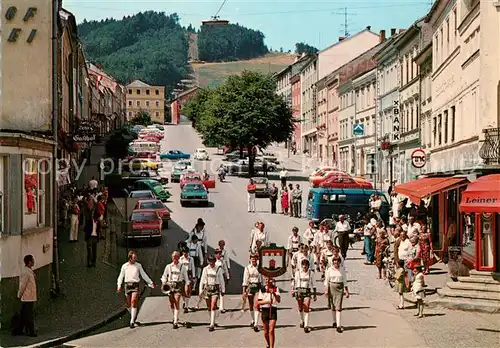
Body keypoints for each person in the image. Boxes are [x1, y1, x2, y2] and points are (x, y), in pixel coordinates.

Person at [117, 251, 155, 328]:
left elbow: (143, 274)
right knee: (128, 304)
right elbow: (121, 276)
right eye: (134, 258)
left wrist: (150, 282)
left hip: (135, 286)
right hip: (127, 285)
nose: (135, 259)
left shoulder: (138, 265)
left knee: (133, 301)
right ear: (130, 258)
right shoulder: (125, 266)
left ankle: (132, 321)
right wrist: (119, 285)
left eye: (135, 257)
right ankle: (133, 315)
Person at [161, 251, 190, 329]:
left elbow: (186, 278)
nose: (175, 259)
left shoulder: (182, 267)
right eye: (173, 257)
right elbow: (164, 276)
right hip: (170, 285)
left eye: (176, 257)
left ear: (178, 258)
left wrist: (187, 285)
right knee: (171, 303)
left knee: (177, 301)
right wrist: (164, 282)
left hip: (178, 285)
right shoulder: (168, 266)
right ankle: (175, 316)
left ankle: (175, 322)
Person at [199, 255, 226, 332]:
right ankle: (212, 320)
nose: (211, 263)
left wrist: (223, 290)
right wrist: (200, 290)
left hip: (215, 289)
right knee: (208, 306)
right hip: (207, 289)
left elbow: (221, 280)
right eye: (210, 261)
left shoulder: (218, 269)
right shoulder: (205, 269)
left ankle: (211, 325)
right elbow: (202, 280)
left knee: (213, 305)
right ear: (208, 262)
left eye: (213, 262)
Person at [13, 254, 37, 337]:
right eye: (32, 260)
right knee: (28, 315)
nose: (34, 261)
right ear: (29, 262)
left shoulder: (28, 271)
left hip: (29, 296)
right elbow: (22, 285)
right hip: (27, 297)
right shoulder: (26, 272)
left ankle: (18, 330)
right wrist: (19, 295)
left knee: (24, 315)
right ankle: (31, 332)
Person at [324, 257, 349, 333]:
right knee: (333, 306)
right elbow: (327, 280)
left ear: (339, 262)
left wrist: (347, 291)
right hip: (331, 287)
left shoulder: (342, 270)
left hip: (340, 288)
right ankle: (334, 321)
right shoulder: (329, 270)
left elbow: (345, 280)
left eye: (337, 261)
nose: (336, 263)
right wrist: (326, 290)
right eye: (334, 261)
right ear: (333, 262)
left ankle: (338, 325)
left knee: (338, 307)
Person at [292, 259, 316, 333]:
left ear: (308, 266)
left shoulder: (311, 273)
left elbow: (314, 284)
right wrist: (293, 290)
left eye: (306, 265)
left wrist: (314, 294)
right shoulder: (297, 273)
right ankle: (302, 320)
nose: (304, 266)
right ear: (301, 265)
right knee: (300, 308)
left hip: (307, 291)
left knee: (306, 307)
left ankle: (306, 325)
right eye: (303, 265)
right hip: (299, 291)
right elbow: (294, 282)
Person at [242, 253, 264, 331]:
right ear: (250, 259)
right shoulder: (247, 268)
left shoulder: (260, 268)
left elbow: (262, 279)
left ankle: (256, 324)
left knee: (256, 305)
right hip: (250, 287)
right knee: (251, 305)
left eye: (255, 258)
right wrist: (244, 292)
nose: (254, 259)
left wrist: (263, 288)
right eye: (252, 258)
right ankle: (253, 319)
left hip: (258, 287)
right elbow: (245, 280)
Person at [258, 278, 281, 348]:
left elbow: (279, 300)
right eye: (266, 279)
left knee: (271, 330)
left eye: (270, 280)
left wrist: (273, 293)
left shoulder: (276, 288)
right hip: (265, 310)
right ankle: (268, 343)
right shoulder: (262, 289)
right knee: (266, 332)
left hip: (273, 309)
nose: (268, 281)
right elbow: (259, 302)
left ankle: (272, 347)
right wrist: (267, 302)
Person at [180, 247, 196, 312]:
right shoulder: (180, 259)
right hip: (182, 276)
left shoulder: (191, 259)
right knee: (182, 291)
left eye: (186, 252)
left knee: (187, 290)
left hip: (188, 275)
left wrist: (194, 276)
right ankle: (184, 302)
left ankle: (186, 306)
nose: (185, 254)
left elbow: (193, 267)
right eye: (184, 252)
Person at [215, 249, 229, 313]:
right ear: (216, 254)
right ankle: (215, 305)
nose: (220, 255)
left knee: (221, 292)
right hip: (214, 278)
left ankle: (221, 307)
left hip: (221, 277)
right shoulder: (213, 261)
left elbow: (225, 269)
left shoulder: (222, 261)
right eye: (218, 254)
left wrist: (227, 276)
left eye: (220, 254)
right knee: (215, 292)